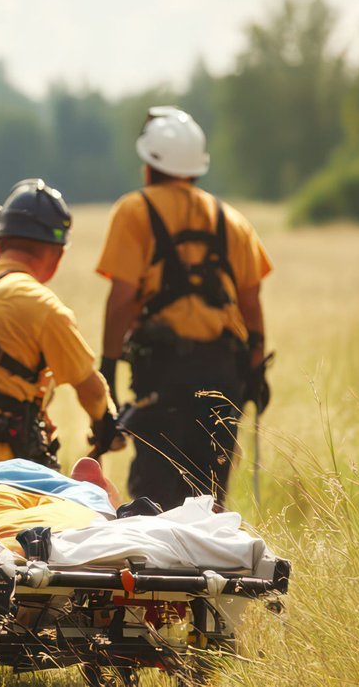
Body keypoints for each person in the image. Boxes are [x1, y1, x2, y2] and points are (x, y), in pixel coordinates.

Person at [96, 107, 273, 509]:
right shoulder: (231, 220)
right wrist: (256, 367)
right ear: (196, 167)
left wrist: (108, 367)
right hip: (223, 375)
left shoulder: (134, 211)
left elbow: (122, 300)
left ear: (149, 165)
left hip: (162, 375)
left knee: (155, 498)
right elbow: (251, 304)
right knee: (209, 499)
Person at [0, 179, 120, 468]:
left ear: (0, 243)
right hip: (9, 465)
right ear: (58, 253)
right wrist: (105, 424)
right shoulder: (42, 305)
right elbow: (89, 387)